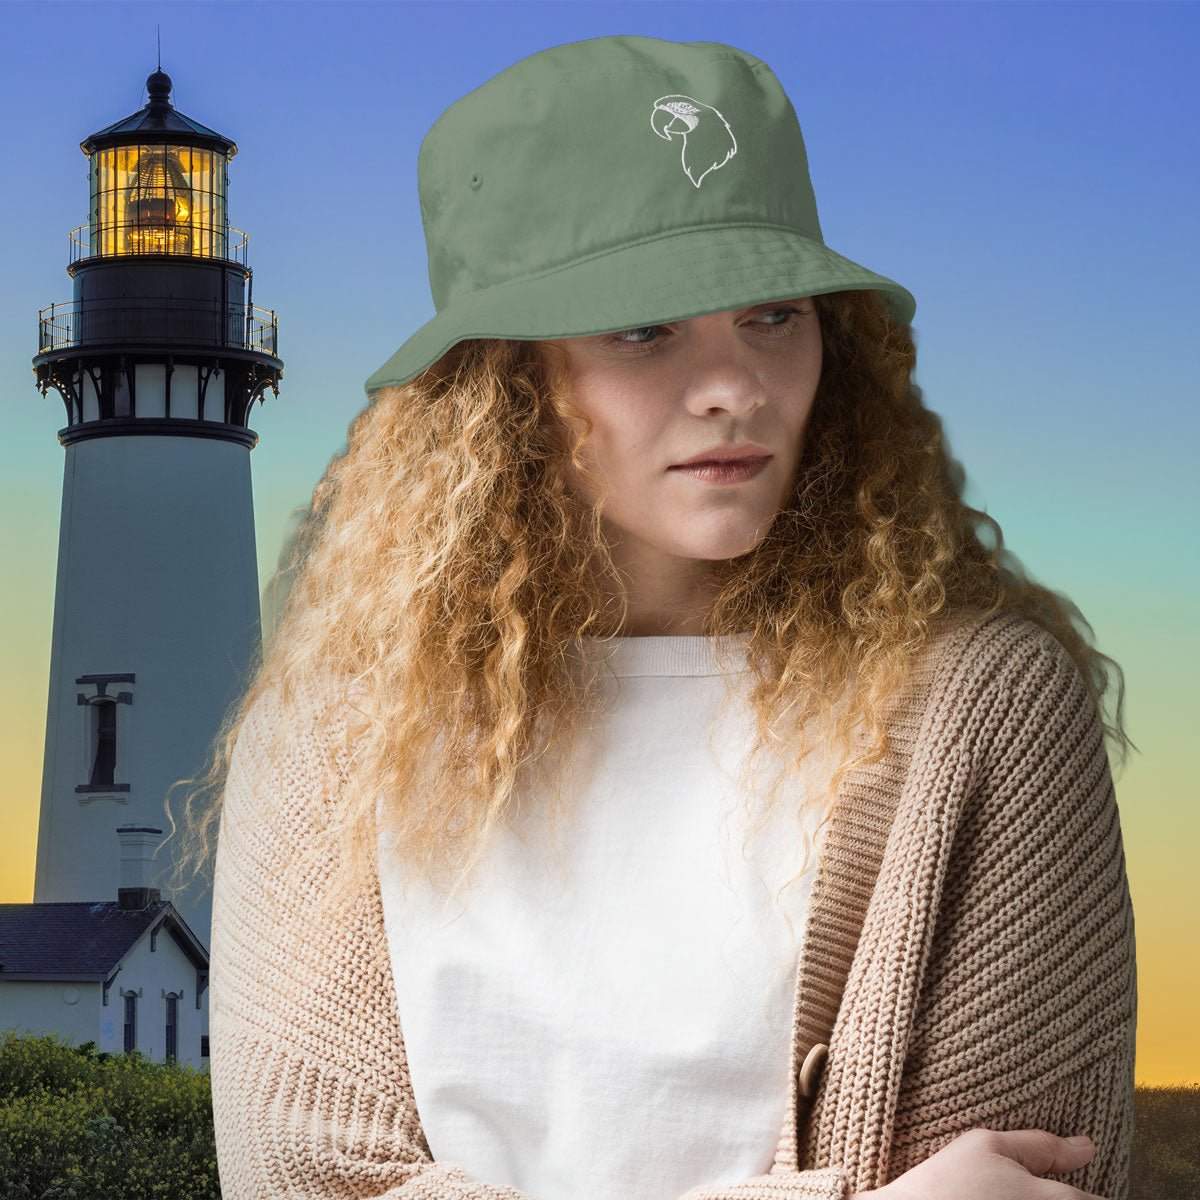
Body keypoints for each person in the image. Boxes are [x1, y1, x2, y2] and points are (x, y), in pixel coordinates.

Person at [162, 34, 1137, 1200]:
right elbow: (306, 1180)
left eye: (774, 314)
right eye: (643, 328)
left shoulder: (988, 712)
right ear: (503, 381)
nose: (735, 384)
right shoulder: (334, 737)